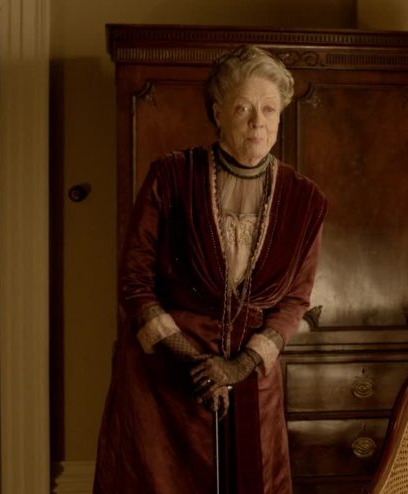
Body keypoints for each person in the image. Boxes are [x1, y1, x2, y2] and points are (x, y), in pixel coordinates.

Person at [94, 45, 327, 494]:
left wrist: (238, 367)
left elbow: (295, 300)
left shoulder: (306, 200)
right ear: (218, 112)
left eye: (269, 109)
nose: (257, 122)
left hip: (250, 375)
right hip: (164, 377)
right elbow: (135, 283)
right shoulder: (170, 177)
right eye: (243, 108)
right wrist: (196, 361)